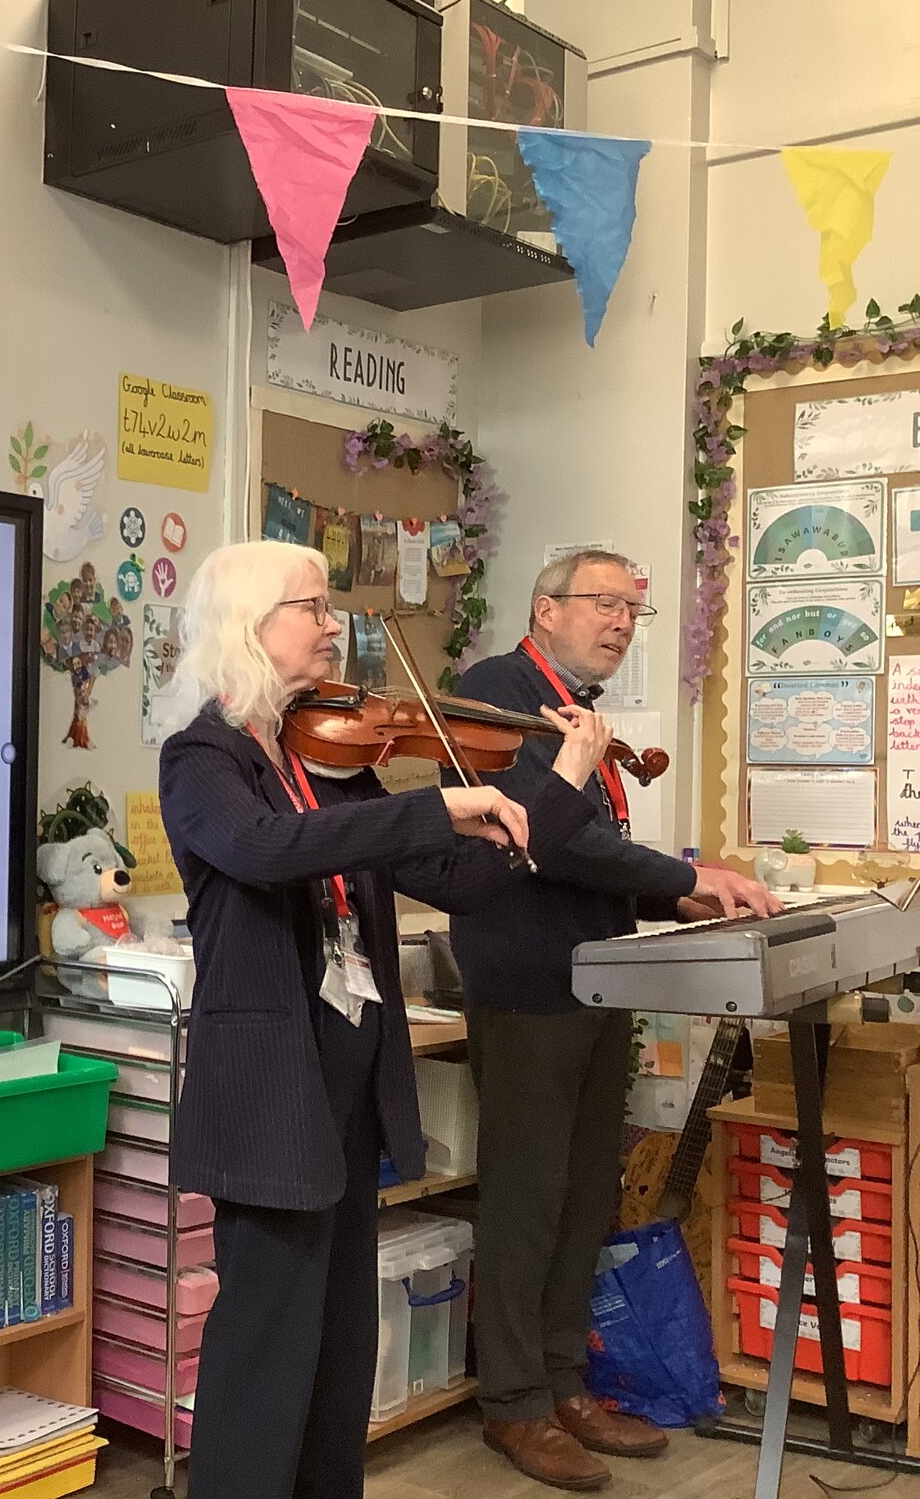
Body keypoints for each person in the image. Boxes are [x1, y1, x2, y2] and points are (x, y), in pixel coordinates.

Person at [157, 540, 612, 1499]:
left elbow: (461, 879)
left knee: (337, 1356)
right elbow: (265, 847)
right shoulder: (204, 757)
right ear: (250, 626)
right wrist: (436, 806)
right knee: (264, 1361)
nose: (333, 628)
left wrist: (560, 786)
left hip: (348, 1090)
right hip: (271, 1095)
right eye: (312, 609)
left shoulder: (330, 755)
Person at [451, 549, 780, 1491]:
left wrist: (676, 903)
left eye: (634, 611)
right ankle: (512, 1402)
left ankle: (564, 1383)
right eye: (606, 604)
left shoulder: (579, 711)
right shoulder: (498, 690)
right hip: (527, 984)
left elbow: (593, 855)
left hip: (593, 982)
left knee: (587, 1191)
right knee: (526, 1198)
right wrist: (681, 880)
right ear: (544, 607)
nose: (623, 624)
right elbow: (547, 839)